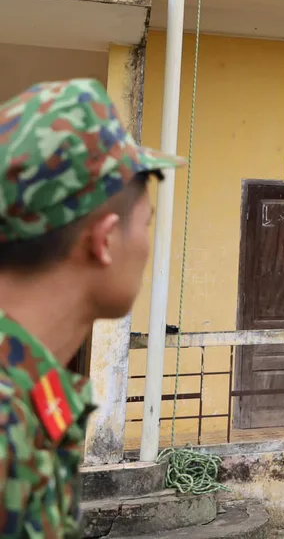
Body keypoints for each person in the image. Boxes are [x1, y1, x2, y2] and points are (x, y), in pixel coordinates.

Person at [0, 78, 184, 538]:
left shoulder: (31, 395)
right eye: (146, 223)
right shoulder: (9, 427)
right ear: (104, 241)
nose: (147, 245)